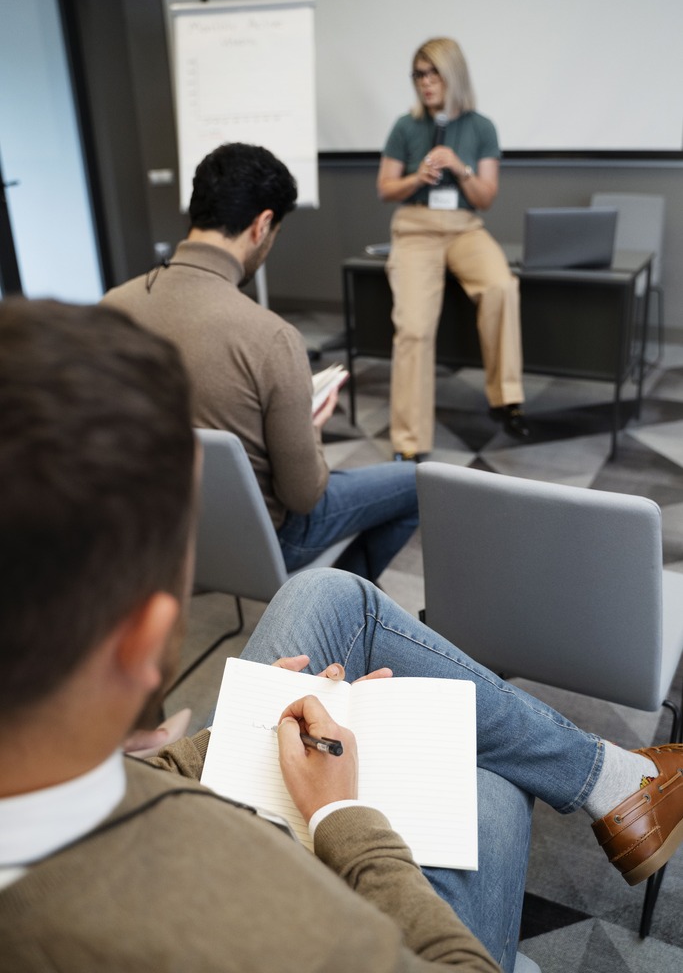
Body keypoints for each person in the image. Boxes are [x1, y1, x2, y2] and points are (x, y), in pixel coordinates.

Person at [2, 301, 682, 973]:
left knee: (328, 596)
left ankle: (610, 779)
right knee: (478, 773)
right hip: (300, 879)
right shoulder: (258, 931)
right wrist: (339, 817)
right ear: (139, 643)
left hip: (160, 798)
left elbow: (134, 785)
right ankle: (613, 782)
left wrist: (219, 741)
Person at [102, 141, 418, 583]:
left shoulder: (112, 308)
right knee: (418, 483)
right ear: (263, 223)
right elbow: (304, 496)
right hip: (266, 540)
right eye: (275, 233)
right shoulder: (270, 338)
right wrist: (309, 428)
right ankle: (328, 606)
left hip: (155, 532)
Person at [377, 37, 528, 460]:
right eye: (418, 74)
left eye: (433, 73)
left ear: (453, 75)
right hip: (415, 228)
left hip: (464, 227)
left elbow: (485, 197)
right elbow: (385, 189)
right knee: (413, 327)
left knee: (501, 287)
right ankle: (409, 443)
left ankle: (506, 397)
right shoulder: (404, 127)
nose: (425, 83)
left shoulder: (481, 127)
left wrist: (458, 166)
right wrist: (417, 178)